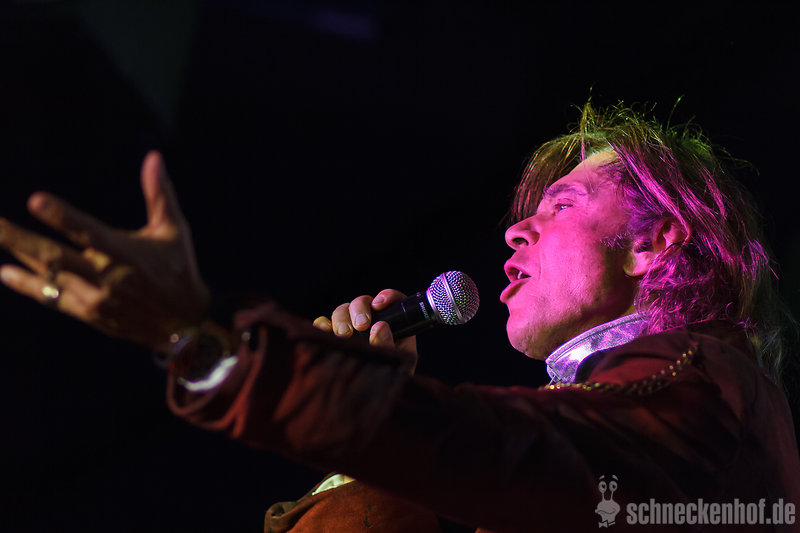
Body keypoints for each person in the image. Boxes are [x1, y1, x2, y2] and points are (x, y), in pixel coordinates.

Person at [1, 102, 798, 532]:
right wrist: (369, 461)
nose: (516, 231)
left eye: (561, 204)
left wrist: (213, 341)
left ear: (655, 241)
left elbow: (508, 450)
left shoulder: (706, 388)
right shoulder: (634, 413)